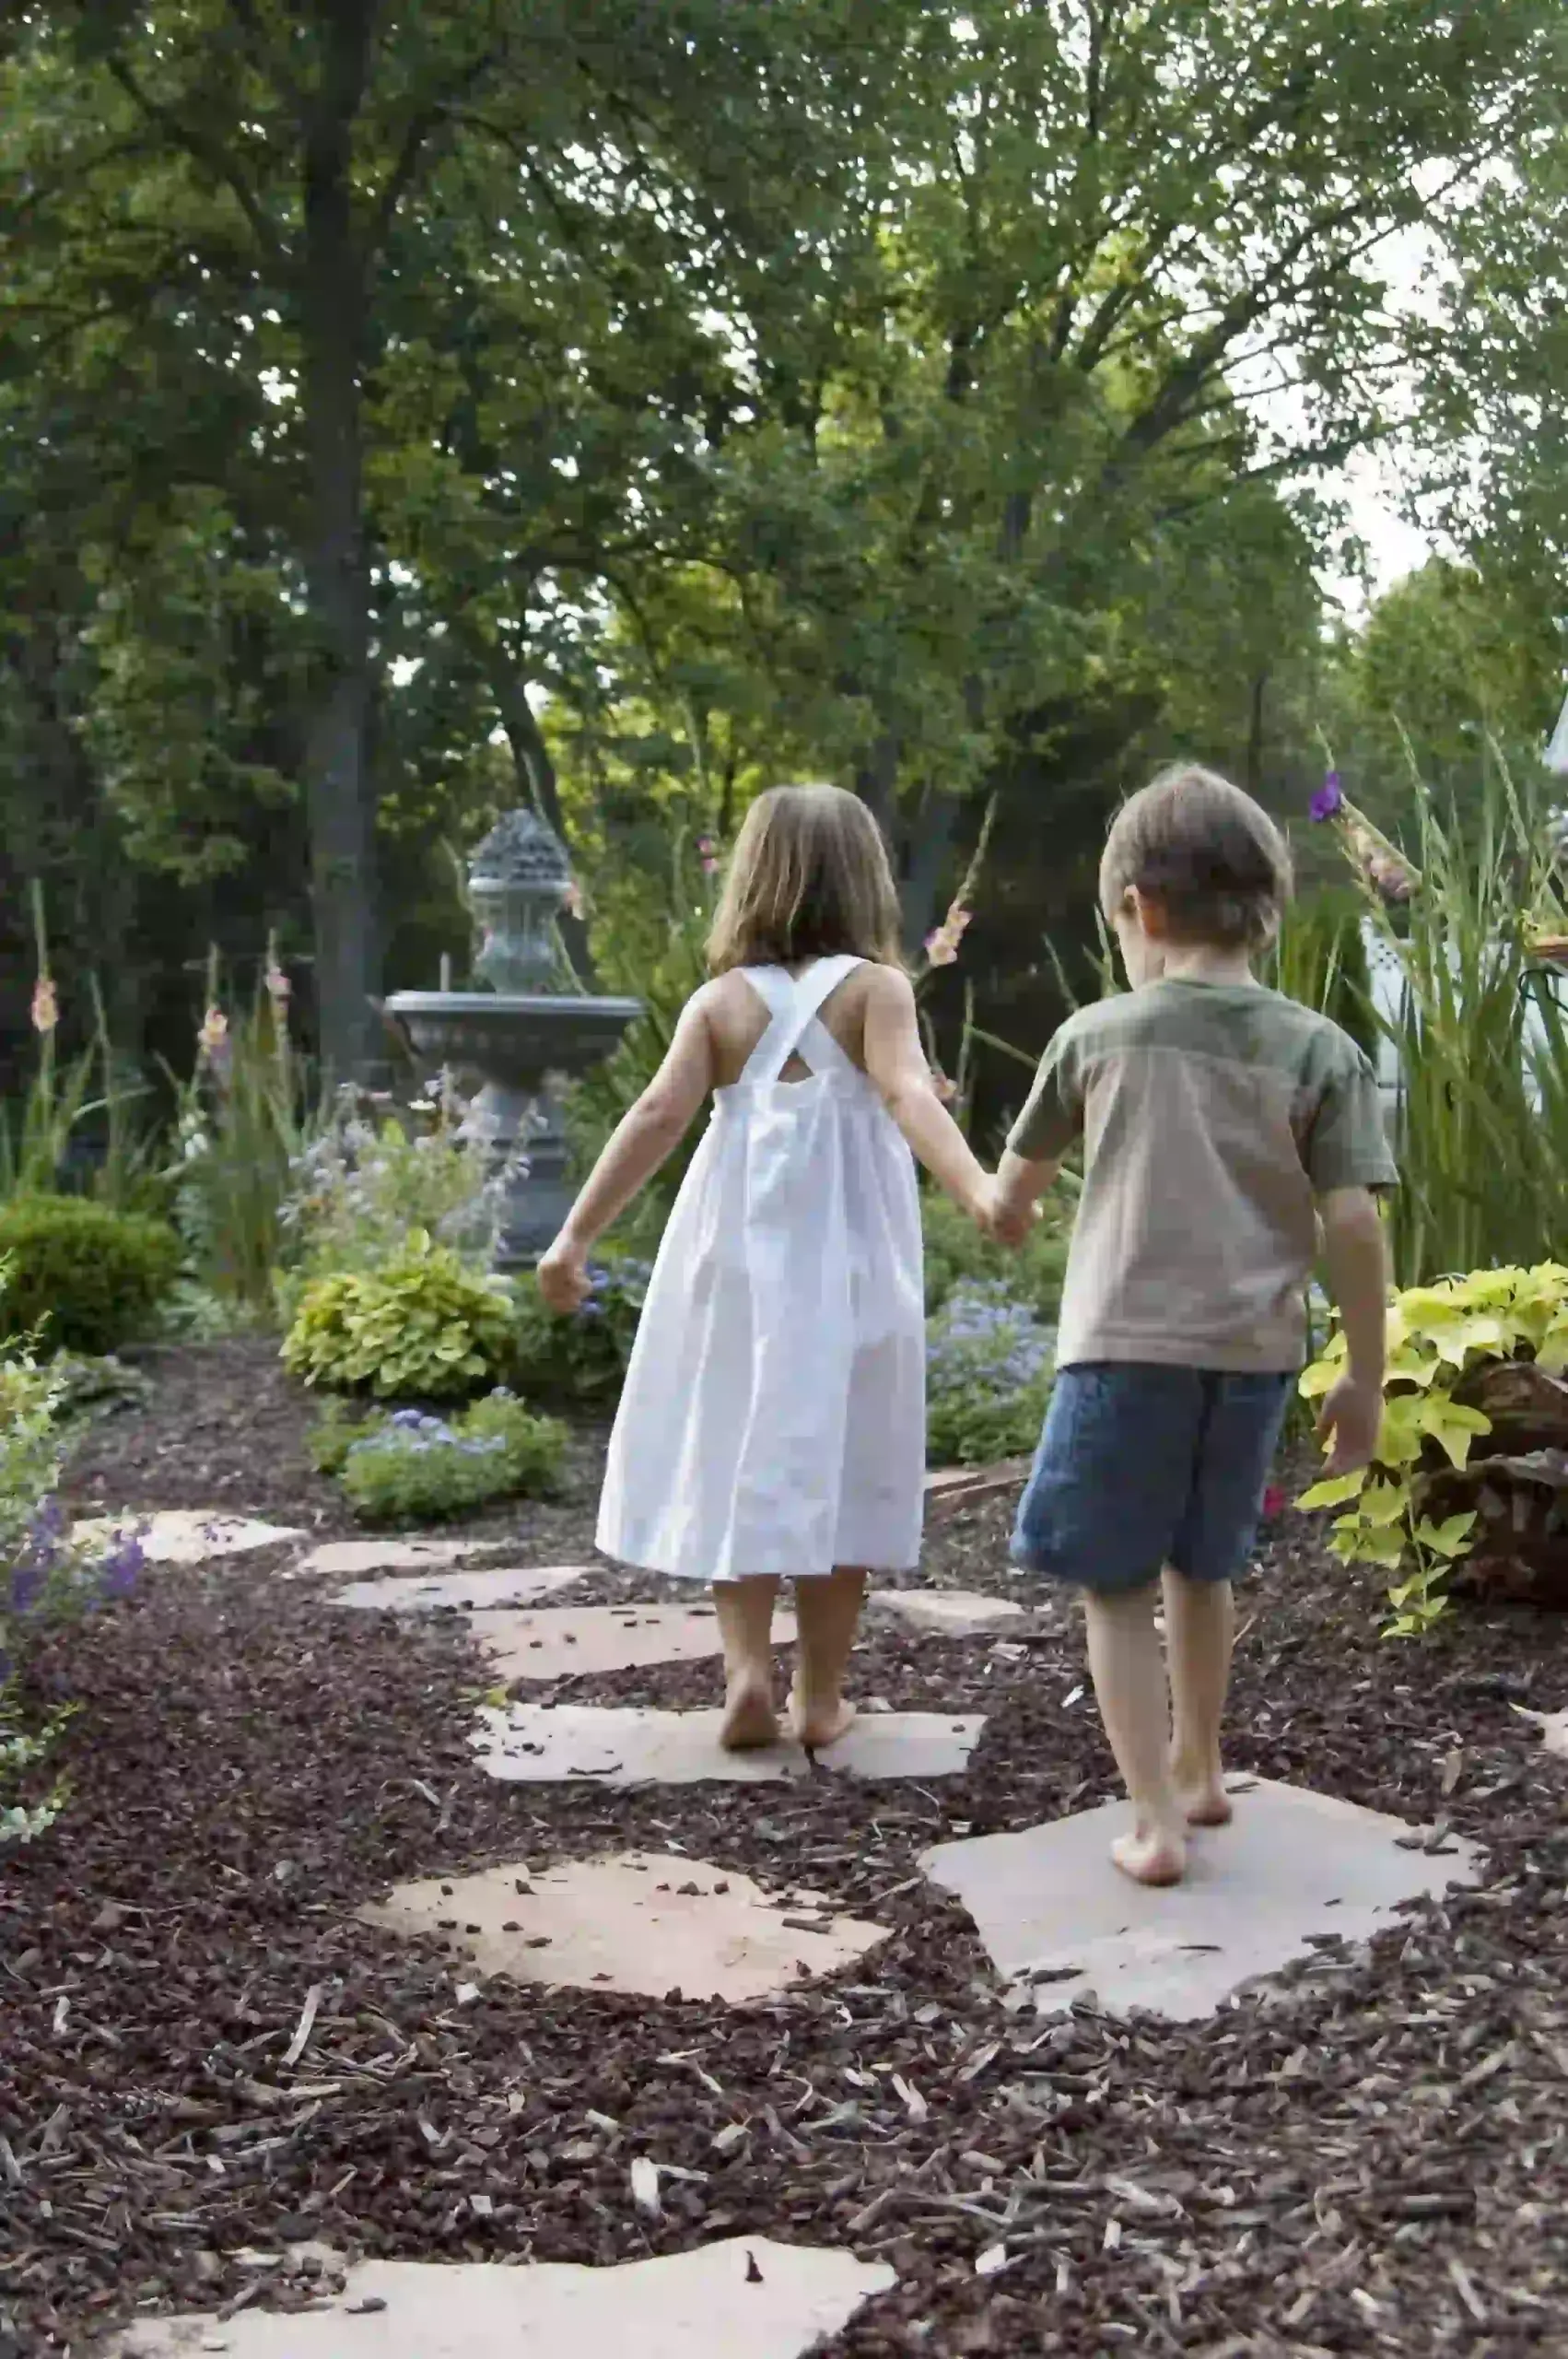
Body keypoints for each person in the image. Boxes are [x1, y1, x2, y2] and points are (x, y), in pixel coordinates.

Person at [989, 765, 1395, 1887]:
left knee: (1115, 1589)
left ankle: (1155, 1821)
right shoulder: (1320, 1050)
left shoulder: (1094, 1037)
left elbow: (1010, 1197)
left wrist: (1002, 1206)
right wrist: (1364, 1375)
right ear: (1266, 909)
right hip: (1254, 1360)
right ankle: (1202, 1766)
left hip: (1123, 1355)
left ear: (1140, 909)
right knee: (1202, 1569)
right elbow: (1353, 1221)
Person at [536, 783, 1000, 1753]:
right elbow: (908, 1095)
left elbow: (656, 1116)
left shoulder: (720, 1004)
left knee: (733, 1445)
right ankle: (819, 1697)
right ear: (864, 881)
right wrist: (979, 1189)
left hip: (736, 1266)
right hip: (849, 1268)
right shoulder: (876, 992)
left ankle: (746, 1670)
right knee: (844, 1454)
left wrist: (573, 1236)